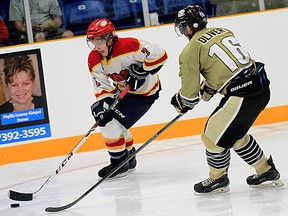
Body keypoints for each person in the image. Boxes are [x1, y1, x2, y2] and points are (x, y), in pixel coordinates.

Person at [170, 5, 284, 195]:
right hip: (260, 87)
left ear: (191, 25)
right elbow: (229, 65)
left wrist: (181, 101)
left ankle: (218, 179)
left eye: (184, 26)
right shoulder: (223, 31)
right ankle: (266, 170)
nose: (183, 31)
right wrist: (212, 83)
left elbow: (189, 96)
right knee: (233, 134)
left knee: (211, 136)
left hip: (243, 95)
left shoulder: (189, 51)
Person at [86, 18, 168, 179]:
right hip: (124, 91)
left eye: (99, 41)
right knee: (107, 118)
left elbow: (160, 54)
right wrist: (102, 103)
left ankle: (119, 162)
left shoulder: (129, 46)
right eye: (93, 42)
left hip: (145, 94)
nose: (96, 46)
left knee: (112, 123)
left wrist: (142, 71)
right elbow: (102, 86)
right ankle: (129, 157)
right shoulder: (94, 58)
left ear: (110, 38)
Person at [9, 0, 73, 43]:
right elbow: (18, 25)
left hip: (51, 30)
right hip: (29, 31)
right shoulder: (16, 1)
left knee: (68, 34)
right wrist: (32, 28)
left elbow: (58, 20)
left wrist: (53, 25)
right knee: (40, 37)